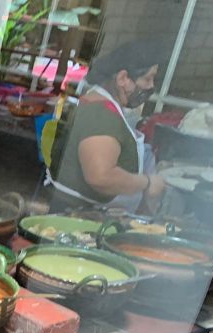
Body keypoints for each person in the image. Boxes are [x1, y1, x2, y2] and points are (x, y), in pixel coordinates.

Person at [49, 39, 168, 214]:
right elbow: (100, 176)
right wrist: (147, 183)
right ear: (123, 78)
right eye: (147, 78)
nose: (151, 86)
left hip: (78, 211)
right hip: (77, 215)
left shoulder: (98, 101)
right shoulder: (100, 114)